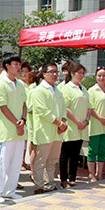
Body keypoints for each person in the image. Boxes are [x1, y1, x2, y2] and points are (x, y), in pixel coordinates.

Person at [0, 55, 27, 203]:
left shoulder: (20, 84)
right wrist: (16, 123)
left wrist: (23, 120)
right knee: (2, 163)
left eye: (19, 64)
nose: (18, 67)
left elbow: (24, 104)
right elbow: (2, 106)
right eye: (15, 64)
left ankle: (9, 190)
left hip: (19, 131)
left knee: (16, 163)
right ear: (7, 66)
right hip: (5, 131)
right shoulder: (1, 84)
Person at [31, 63, 67, 194]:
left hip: (57, 131)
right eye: (51, 72)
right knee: (41, 160)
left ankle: (50, 183)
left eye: (56, 72)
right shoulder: (39, 91)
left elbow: (64, 108)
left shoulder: (58, 91)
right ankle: (39, 185)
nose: (54, 74)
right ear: (44, 74)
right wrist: (59, 123)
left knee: (52, 160)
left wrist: (63, 121)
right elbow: (42, 111)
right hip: (45, 130)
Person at [59, 62, 90, 188]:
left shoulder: (84, 89)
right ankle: (63, 179)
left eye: (83, 73)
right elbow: (65, 108)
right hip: (71, 126)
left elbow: (89, 107)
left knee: (76, 154)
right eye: (79, 73)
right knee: (65, 154)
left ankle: (73, 177)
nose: (81, 75)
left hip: (82, 127)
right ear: (72, 73)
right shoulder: (66, 88)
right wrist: (77, 121)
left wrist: (86, 121)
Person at [88, 66, 105, 182]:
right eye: (99, 75)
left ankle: (99, 174)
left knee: (102, 150)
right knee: (92, 150)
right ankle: (91, 175)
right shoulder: (91, 91)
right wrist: (100, 118)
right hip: (95, 125)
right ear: (96, 76)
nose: (101, 78)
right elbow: (90, 108)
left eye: (104, 75)